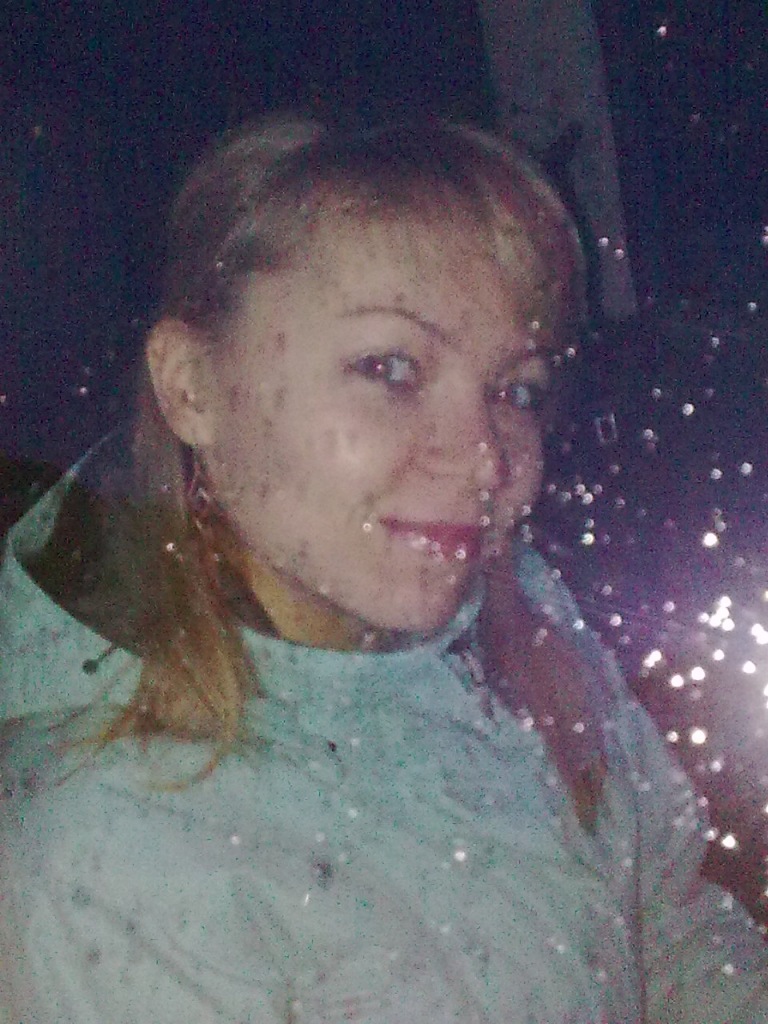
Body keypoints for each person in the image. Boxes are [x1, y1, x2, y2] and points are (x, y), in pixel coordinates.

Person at [0, 115, 766, 1024]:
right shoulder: (107, 848)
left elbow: (668, 921)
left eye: (514, 388)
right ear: (192, 387)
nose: (484, 458)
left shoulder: (516, 620)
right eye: (391, 368)